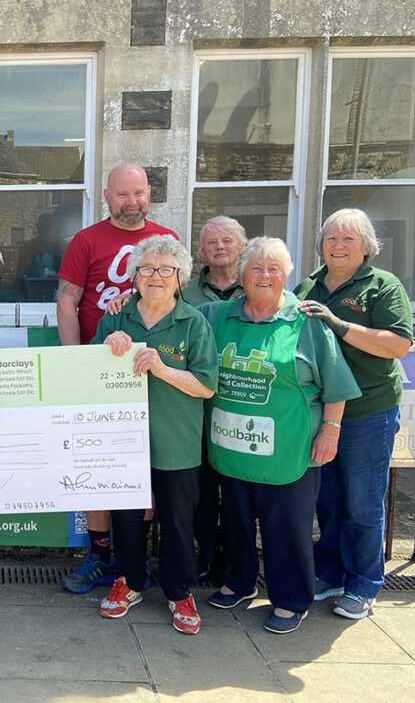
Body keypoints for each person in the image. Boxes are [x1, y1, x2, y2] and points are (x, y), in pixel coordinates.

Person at [198, 237, 359, 634]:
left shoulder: (307, 323)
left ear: (287, 276)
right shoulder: (216, 315)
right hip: (231, 443)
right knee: (235, 521)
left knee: (286, 527)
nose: (264, 275)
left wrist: (330, 431)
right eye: (255, 268)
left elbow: (336, 386)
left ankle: (291, 599)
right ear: (240, 275)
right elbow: (167, 317)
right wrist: (123, 305)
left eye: (274, 268)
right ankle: (239, 581)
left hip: (290, 446)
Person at [56, 162, 178, 593]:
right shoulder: (87, 241)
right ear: (106, 197)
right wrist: (75, 363)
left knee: (140, 469)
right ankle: (99, 554)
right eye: (122, 195)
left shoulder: (166, 241)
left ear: (149, 194)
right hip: (98, 374)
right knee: (95, 466)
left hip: (154, 374)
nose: (132, 202)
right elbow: (67, 301)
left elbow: (177, 302)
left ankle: (133, 555)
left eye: (139, 193)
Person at [94, 236, 218, 634]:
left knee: (179, 519)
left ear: (180, 277)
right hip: (123, 441)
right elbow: (86, 377)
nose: (156, 277)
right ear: (134, 275)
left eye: (166, 270)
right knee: (126, 517)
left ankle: (178, 589)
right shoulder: (114, 318)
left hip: (177, 439)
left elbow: (206, 386)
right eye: (147, 269)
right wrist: (104, 350)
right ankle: (129, 582)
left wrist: (162, 369)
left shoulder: (193, 322)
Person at [295, 208, 413, 620]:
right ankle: (329, 572)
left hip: (367, 411)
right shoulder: (309, 283)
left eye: (348, 239)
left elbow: (398, 345)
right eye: (331, 239)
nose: (338, 246)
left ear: (366, 246)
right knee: (327, 500)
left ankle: (364, 583)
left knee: (363, 503)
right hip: (318, 410)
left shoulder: (382, 286)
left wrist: (340, 325)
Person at [184, 216, 247, 581]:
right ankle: (206, 553)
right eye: (212, 243)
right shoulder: (185, 292)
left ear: (241, 246)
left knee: (238, 490)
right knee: (203, 490)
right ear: (202, 250)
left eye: (227, 241)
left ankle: (234, 557)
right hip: (199, 406)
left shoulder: (257, 285)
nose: (220, 248)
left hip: (244, 404)